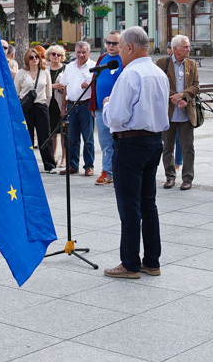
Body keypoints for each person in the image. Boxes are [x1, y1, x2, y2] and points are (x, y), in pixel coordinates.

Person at [101, 27, 169, 279]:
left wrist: (107, 105)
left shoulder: (130, 75)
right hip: (153, 141)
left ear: (129, 47)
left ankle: (130, 263)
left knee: (130, 206)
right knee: (148, 203)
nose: (119, 53)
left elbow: (117, 118)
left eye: (120, 48)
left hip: (130, 144)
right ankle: (152, 261)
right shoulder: (158, 73)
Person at [157, 35, 200, 191]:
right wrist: (174, 98)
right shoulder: (162, 63)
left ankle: (187, 178)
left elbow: (196, 86)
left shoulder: (192, 64)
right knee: (167, 147)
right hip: (168, 113)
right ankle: (170, 177)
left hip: (186, 113)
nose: (189, 49)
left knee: (188, 147)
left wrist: (183, 96)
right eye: (186, 47)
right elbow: (158, 85)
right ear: (175, 49)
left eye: (189, 46)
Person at [15, 48, 57, 173]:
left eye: (37, 57)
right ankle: (27, 166)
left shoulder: (45, 72)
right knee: (27, 137)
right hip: (26, 107)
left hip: (41, 105)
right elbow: (16, 92)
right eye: (31, 57)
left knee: (45, 135)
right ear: (27, 59)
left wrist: (45, 105)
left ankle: (50, 165)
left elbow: (49, 92)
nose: (34, 59)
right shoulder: (21, 73)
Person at [90, 31, 123, 185]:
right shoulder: (103, 59)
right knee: (104, 143)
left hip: (118, 108)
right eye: (108, 42)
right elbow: (94, 82)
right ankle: (107, 171)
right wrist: (93, 104)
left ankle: (119, 171)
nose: (110, 46)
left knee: (118, 142)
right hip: (100, 108)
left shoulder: (124, 60)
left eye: (114, 43)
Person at [60, 41, 96, 176]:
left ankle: (89, 166)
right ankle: (72, 165)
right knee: (72, 138)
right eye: (78, 52)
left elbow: (98, 87)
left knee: (88, 138)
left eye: (84, 52)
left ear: (89, 53)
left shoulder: (93, 66)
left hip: (86, 105)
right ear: (75, 52)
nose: (81, 55)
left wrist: (90, 85)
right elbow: (65, 88)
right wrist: (63, 108)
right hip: (71, 105)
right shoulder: (69, 67)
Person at [46, 45, 68, 167]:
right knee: (51, 132)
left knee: (64, 132)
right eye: (53, 54)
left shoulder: (66, 68)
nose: (56, 57)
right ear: (48, 56)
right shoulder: (44, 68)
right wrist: (53, 86)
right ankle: (53, 156)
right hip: (49, 103)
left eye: (59, 55)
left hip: (61, 103)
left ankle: (64, 158)